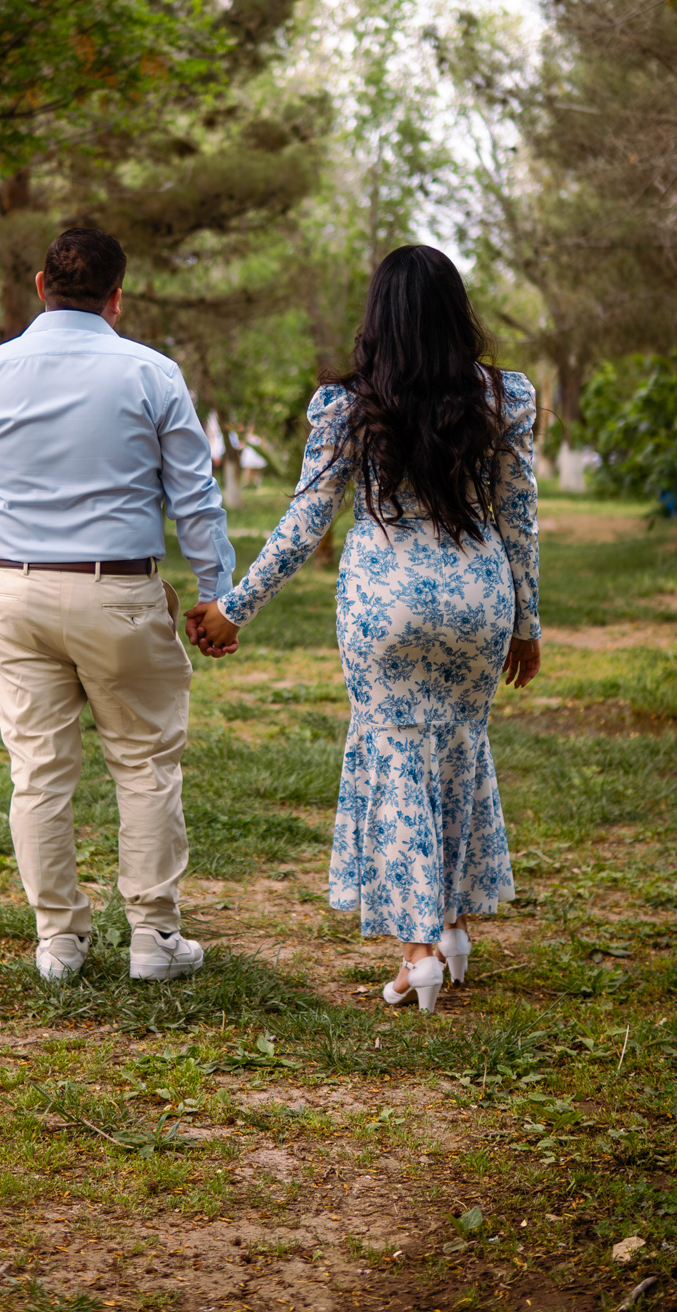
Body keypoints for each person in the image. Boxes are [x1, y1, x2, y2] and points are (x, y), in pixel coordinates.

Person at [188, 245, 540, 1011]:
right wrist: (528, 623)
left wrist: (232, 607)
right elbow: (519, 517)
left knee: (395, 757)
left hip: (387, 605)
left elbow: (305, 519)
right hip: (481, 601)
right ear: (458, 314)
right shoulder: (503, 398)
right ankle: (451, 928)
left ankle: (416, 954)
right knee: (457, 747)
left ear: (378, 319)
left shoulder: (348, 406)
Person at [0, 227, 238, 986]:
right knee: (143, 765)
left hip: (16, 591)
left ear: (41, 286)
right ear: (116, 297)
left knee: (38, 771)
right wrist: (214, 592)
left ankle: (59, 944)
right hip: (120, 592)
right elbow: (196, 499)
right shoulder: (152, 374)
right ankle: (153, 938)